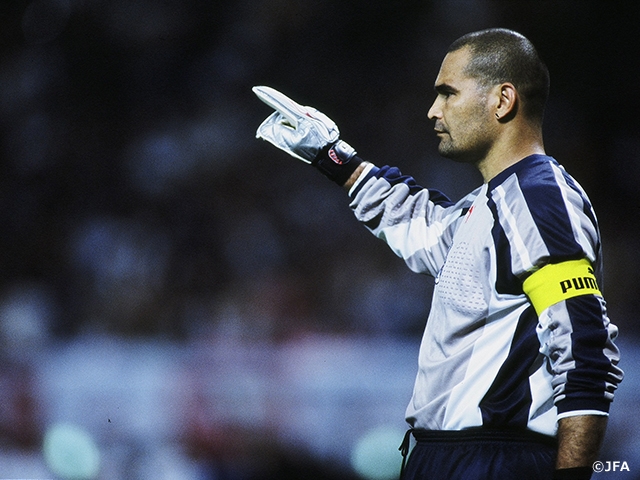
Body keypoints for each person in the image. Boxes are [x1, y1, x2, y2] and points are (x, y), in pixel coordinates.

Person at [253, 28, 623, 480]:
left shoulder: (539, 200)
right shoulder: (491, 204)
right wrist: (334, 158)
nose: (433, 110)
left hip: (494, 460)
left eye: (448, 93)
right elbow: (418, 224)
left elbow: (584, 350)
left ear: (503, 100)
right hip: (449, 457)